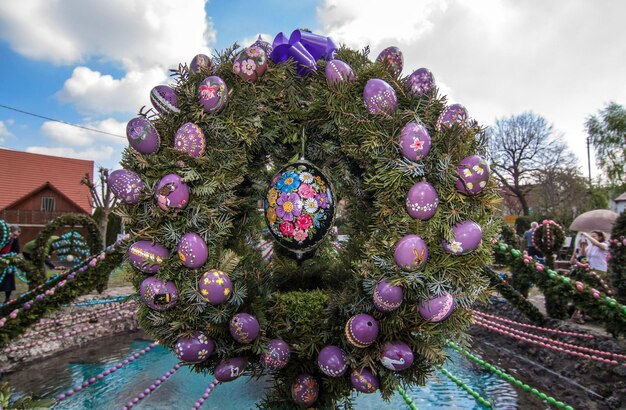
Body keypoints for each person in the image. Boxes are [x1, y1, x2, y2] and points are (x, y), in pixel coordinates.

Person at [0, 225, 21, 302]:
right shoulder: (3, 237)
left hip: (7, 260)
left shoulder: (14, 239)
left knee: (8, 279)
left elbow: (16, 250)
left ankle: (7, 297)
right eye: (14, 234)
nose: (15, 237)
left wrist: (10, 257)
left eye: (17, 236)